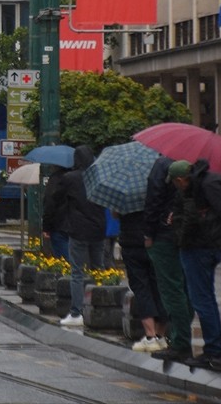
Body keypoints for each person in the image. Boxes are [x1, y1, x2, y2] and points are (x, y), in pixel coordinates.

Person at [168, 159, 221, 371]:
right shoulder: (205, 184)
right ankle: (215, 348)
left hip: (198, 249)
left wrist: (179, 239)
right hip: (212, 247)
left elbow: (192, 221)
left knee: (202, 299)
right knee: (207, 298)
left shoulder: (197, 190)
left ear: (180, 180)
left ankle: (213, 350)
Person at [143, 155, 195, 363]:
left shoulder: (162, 165)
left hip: (164, 236)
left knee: (171, 290)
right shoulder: (194, 167)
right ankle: (181, 336)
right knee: (185, 288)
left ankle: (181, 341)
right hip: (185, 237)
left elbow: (153, 200)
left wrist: (148, 233)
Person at [52, 145, 106, 328]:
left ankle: (76, 312)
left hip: (78, 229)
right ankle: (101, 307)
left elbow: (57, 199)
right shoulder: (99, 176)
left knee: (77, 272)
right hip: (98, 228)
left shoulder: (69, 178)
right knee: (99, 268)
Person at [117, 209, 168, 352]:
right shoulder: (156, 190)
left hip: (132, 242)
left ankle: (150, 336)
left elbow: (116, 213)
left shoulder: (126, 190)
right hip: (155, 241)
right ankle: (160, 335)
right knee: (158, 286)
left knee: (141, 289)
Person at [41, 166, 71, 260]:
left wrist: (46, 227)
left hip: (58, 225)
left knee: (63, 259)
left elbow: (50, 203)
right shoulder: (79, 177)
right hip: (76, 225)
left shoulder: (55, 179)